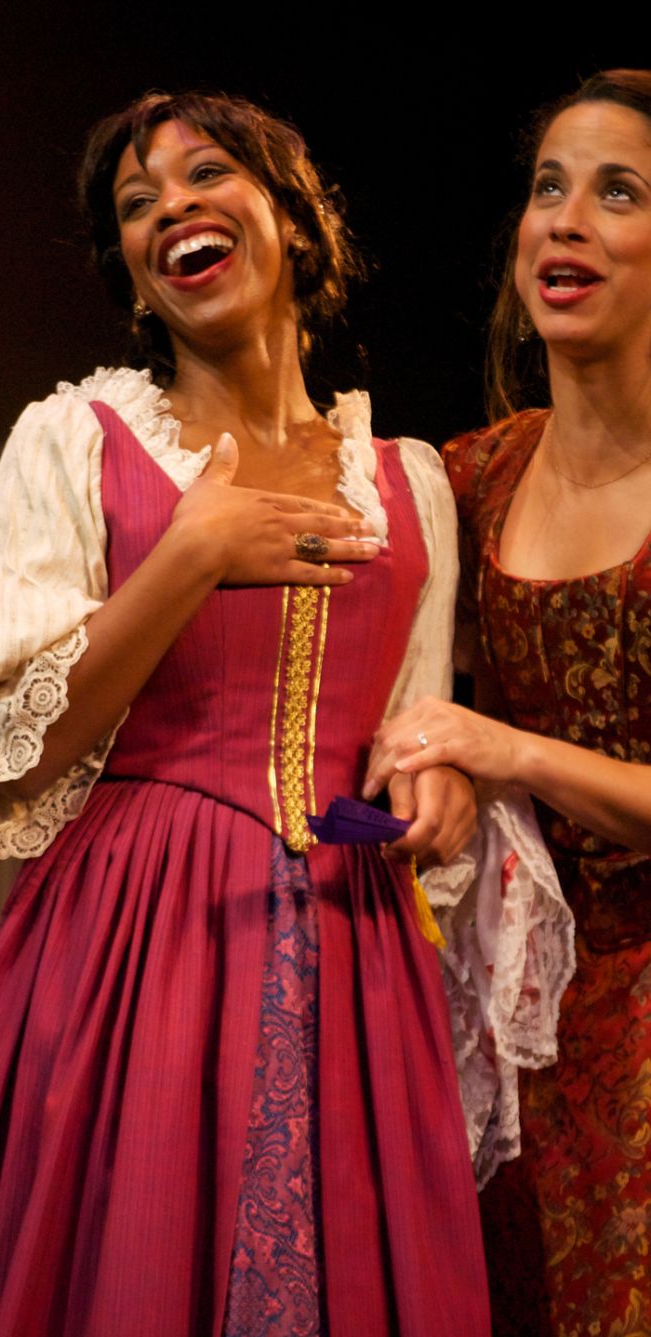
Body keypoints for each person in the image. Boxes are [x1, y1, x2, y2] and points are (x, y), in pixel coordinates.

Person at [0, 91, 492, 1336]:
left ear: (296, 220)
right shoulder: (75, 440)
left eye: (207, 173)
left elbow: (415, 726)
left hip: (357, 951)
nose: (170, 205)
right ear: (132, 268)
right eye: (136, 202)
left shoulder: (413, 483)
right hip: (136, 936)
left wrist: (436, 781)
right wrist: (188, 554)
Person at [365, 69, 651, 1337]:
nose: (566, 221)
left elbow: (489, 738)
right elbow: (404, 691)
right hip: (517, 1010)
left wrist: (503, 748)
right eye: (548, 187)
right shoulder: (475, 475)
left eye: (619, 192)